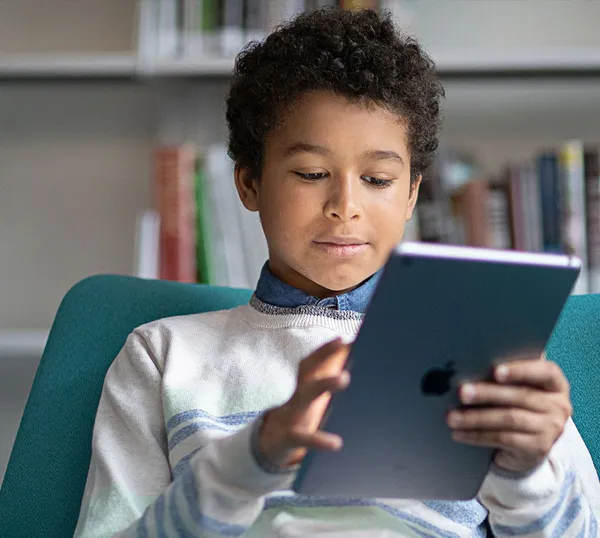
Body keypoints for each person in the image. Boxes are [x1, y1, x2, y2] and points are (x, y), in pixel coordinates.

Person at [74, 7, 599, 538]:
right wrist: (250, 462)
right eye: (312, 174)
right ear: (250, 182)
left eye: (376, 178)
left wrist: (524, 473)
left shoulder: (487, 356)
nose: (344, 206)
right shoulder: (162, 358)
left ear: (413, 192)